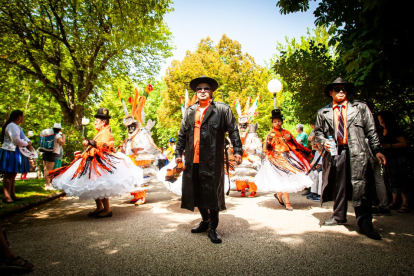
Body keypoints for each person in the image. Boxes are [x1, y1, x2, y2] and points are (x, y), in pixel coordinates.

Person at [314, 77, 386, 240]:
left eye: (344, 89)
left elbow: (371, 130)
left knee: (361, 185)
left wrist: (377, 150)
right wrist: (324, 141)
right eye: (337, 89)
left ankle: (365, 222)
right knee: (338, 185)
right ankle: (339, 216)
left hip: (358, 150)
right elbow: (318, 133)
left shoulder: (360, 108)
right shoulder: (323, 112)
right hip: (336, 151)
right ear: (330, 92)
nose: (341, 91)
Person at [175, 75, 242, 244]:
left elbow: (233, 130)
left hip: (213, 159)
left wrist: (238, 150)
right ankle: (205, 221)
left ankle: (213, 227)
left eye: (206, 88)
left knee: (212, 192)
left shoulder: (222, 109)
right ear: (196, 92)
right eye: (199, 89)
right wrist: (178, 154)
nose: (202, 91)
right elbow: (182, 135)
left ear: (211, 91)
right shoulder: (190, 111)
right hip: (192, 159)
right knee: (195, 192)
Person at [49, 108, 144, 218]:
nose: (94, 123)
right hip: (94, 161)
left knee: (100, 184)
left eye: (97, 121)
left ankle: (107, 209)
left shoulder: (107, 131)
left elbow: (106, 146)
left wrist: (91, 142)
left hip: (101, 163)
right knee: (94, 185)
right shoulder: (101, 132)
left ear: (103, 122)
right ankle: (99, 207)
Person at [255, 109, 313, 211]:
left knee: (290, 178)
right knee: (285, 179)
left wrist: (306, 152)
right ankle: (288, 203)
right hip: (276, 159)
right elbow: (265, 148)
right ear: (272, 123)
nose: (277, 123)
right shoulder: (271, 134)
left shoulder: (287, 133)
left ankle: (279, 194)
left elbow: (295, 144)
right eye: (274, 121)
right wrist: (269, 142)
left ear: (282, 121)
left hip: (288, 158)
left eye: (279, 121)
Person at [120, 117, 161, 205]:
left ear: (136, 126)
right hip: (131, 159)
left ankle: (142, 197)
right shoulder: (129, 136)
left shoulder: (142, 133)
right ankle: (136, 195)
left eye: (132, 126)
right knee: (133, 178)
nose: (130, 129)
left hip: (139, 159)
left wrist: (137, 150)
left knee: (141, 178)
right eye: (129, 127)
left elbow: (146, 144)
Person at [378, 110, 409, 213]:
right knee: (391, 178)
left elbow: (404, 143)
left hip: (398, 157)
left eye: (380, 118)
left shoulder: (395, 129)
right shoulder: (382, 130)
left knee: (401, 179)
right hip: (388, 158)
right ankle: (395, 201)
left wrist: (389, 146)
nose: (379, 121)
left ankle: (405, 203)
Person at [230, 98, 262, 197]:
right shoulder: (236, 134)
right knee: (239, 174)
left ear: (248, 125)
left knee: (250, 174)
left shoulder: (252, 134)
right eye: (241, 125)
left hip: (249, 157)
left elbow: (258, 146)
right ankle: (242, 189)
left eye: (244, 125)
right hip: (239, 156)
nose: (242, 127)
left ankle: (253, 191)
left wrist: (250, 148)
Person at [0, 110, 32, 204]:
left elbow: (23, 137)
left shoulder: (17, 126)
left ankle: (12, 194)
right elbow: (16, 140)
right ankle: (6, 196)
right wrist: (27, 143)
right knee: (9, 174)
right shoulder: (11, 126)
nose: (23, 118)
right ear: (19, 116)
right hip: (10, 151)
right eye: (23, 116)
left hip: (15, 151)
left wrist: (29, 142)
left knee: (13, 174)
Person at [43, 123, 65, 190]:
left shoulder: (50, 135)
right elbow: (62, 143)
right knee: (49, 170)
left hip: (46, 152)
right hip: (52, 153)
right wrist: (64, 136)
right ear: (60, 129)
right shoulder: (57, 135)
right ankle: (48, 185)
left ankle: (47, 184)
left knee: (45, 169)